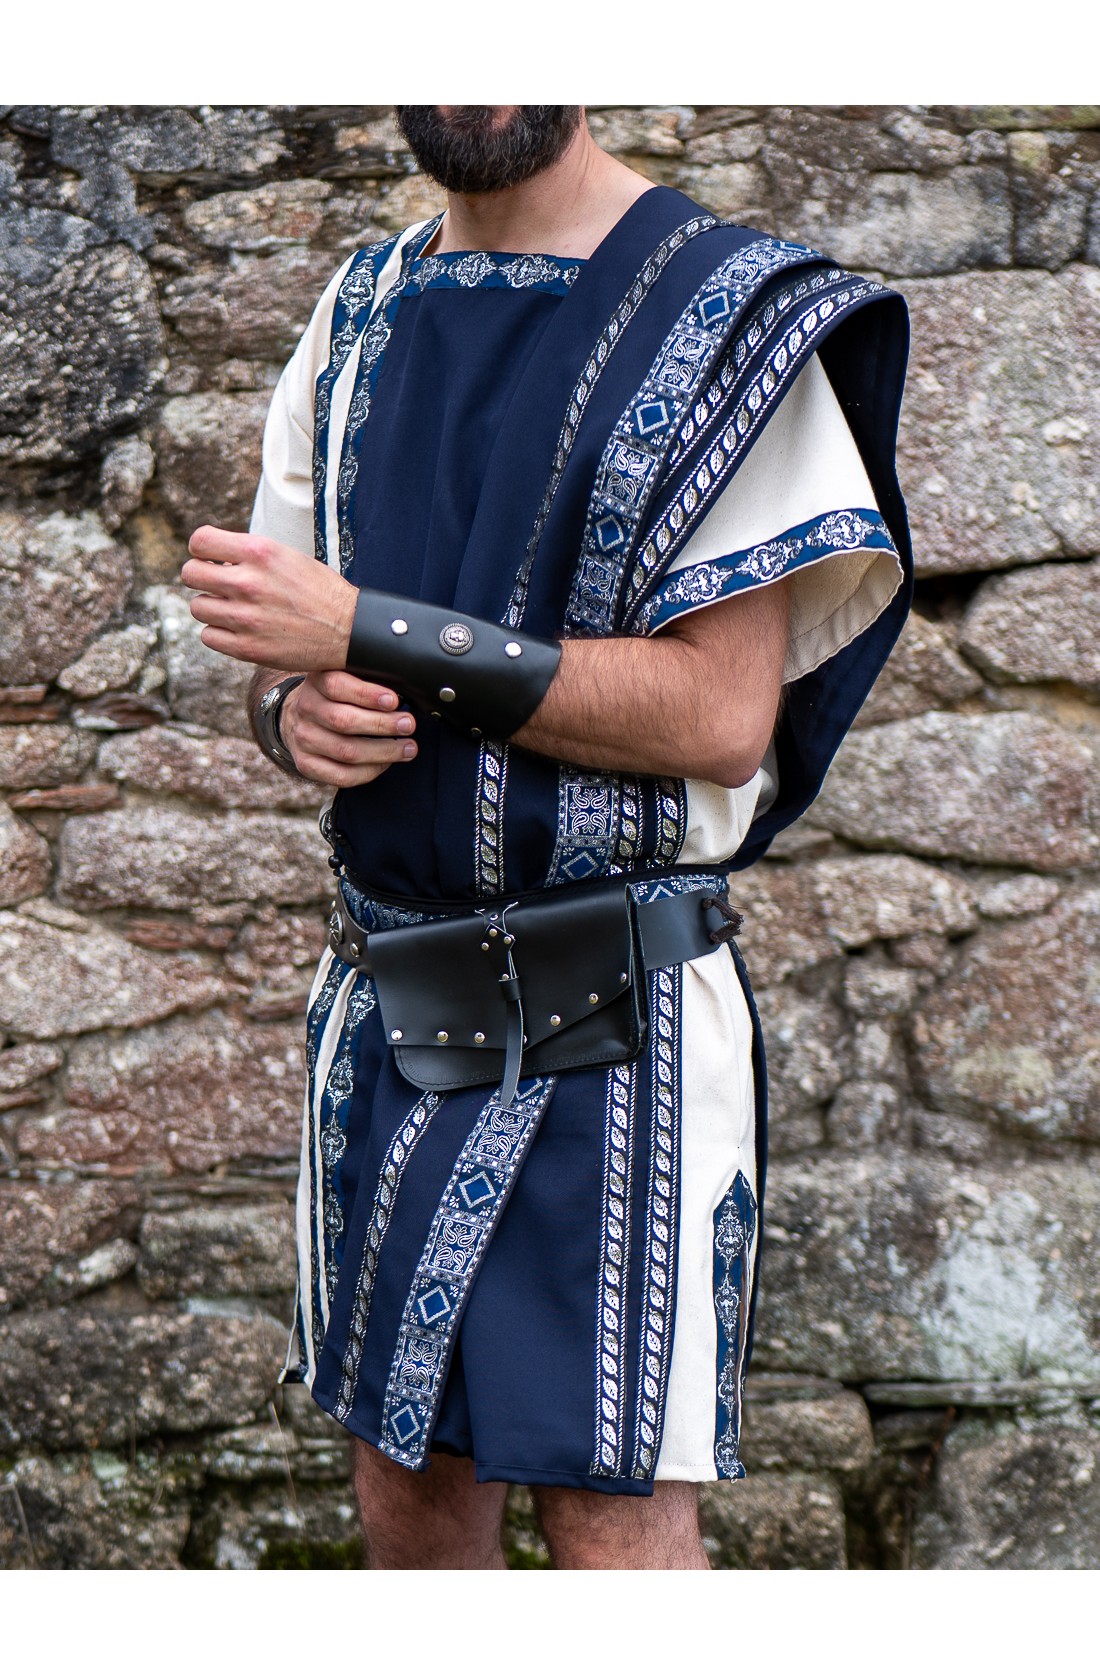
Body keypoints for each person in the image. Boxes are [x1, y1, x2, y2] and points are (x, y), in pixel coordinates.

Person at [181, 105, 912, 1570]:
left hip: (620, 1024)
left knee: (613, 1520)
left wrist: (367, 631)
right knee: (407, 1499)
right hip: (390, 1001)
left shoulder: (732, 321)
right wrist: (293, 715)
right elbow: (288, 644)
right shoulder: (358, 313)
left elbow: (720, 717)